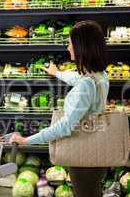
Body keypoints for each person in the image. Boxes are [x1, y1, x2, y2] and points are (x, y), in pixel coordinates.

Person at [9, 20, 109, 197]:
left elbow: (65, 127)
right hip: (95, 153)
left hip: (82, 158)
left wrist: (26, 140)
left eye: (70, 43)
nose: (68, 47)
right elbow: (78, 79)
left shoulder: (86, 84)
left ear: (81, 47)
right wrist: (57, 73)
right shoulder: (100, 76)